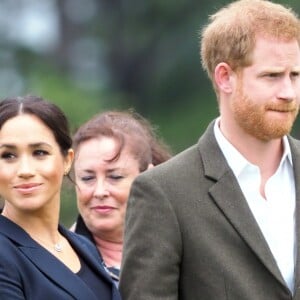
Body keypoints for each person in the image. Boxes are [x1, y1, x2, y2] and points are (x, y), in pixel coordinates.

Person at [119, 0, 300, 299]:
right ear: (225, 77)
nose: (288, 93)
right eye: (271, 76)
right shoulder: (163, 193)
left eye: (295, 75)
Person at [0, 96, 121, 300]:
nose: (25, 170)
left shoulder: (85, 247)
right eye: (8, 156)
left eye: (39, 152)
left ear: (67, 160)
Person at [71, 110, 172, 284]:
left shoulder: (188, 248)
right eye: (87, 178)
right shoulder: (56, 261)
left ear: (149, 178)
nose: (100, 191)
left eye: (115, 177)